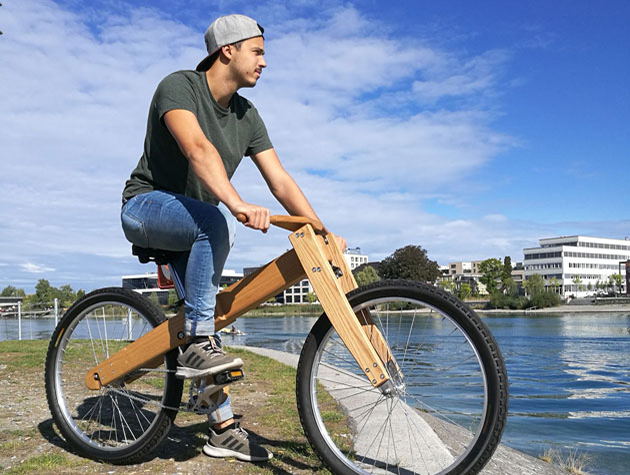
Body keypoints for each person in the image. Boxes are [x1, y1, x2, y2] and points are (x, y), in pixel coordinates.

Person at [120, 14, 346, 462]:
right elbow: (197, 149)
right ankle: (198, 345)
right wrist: (237, 203)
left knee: (211, 314)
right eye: (258, 51)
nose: (264, 62)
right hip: (145, 208)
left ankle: (221, 429)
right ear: (228, 50)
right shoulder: (179, 86)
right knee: (215, 224)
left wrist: (320, 230)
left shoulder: (247, 115)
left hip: (195, 225)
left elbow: (280, 179)